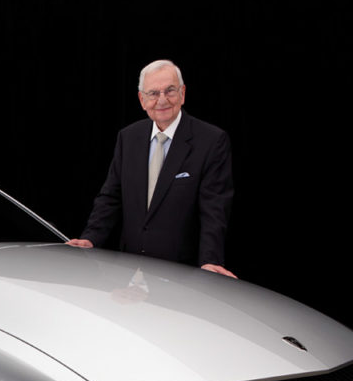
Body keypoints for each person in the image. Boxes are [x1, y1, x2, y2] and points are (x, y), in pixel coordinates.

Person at [67, 59, 236, 277]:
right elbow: (111, 197)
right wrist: (91, 238)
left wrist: (210, 261)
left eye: (170, 91)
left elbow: (214, 209)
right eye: (153, 93)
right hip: (130, 273)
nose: (162, 100)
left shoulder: (211, 141)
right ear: (142, 99)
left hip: (183, 275)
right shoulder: (128, 137)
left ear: (183, 93)